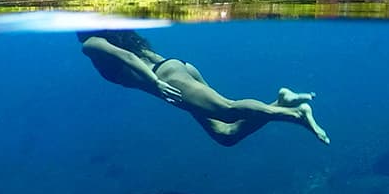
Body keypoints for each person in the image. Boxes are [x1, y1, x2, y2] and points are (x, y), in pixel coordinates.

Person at [77, 30, 330, 147]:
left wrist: (156, 83)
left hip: (165, 78)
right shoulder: (119, 35)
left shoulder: (91, 43)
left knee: (227, 109)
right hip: (177, 68)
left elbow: (130, 59)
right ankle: (282, 101)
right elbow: (141, 56)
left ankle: (296, 114)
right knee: (226, 134)